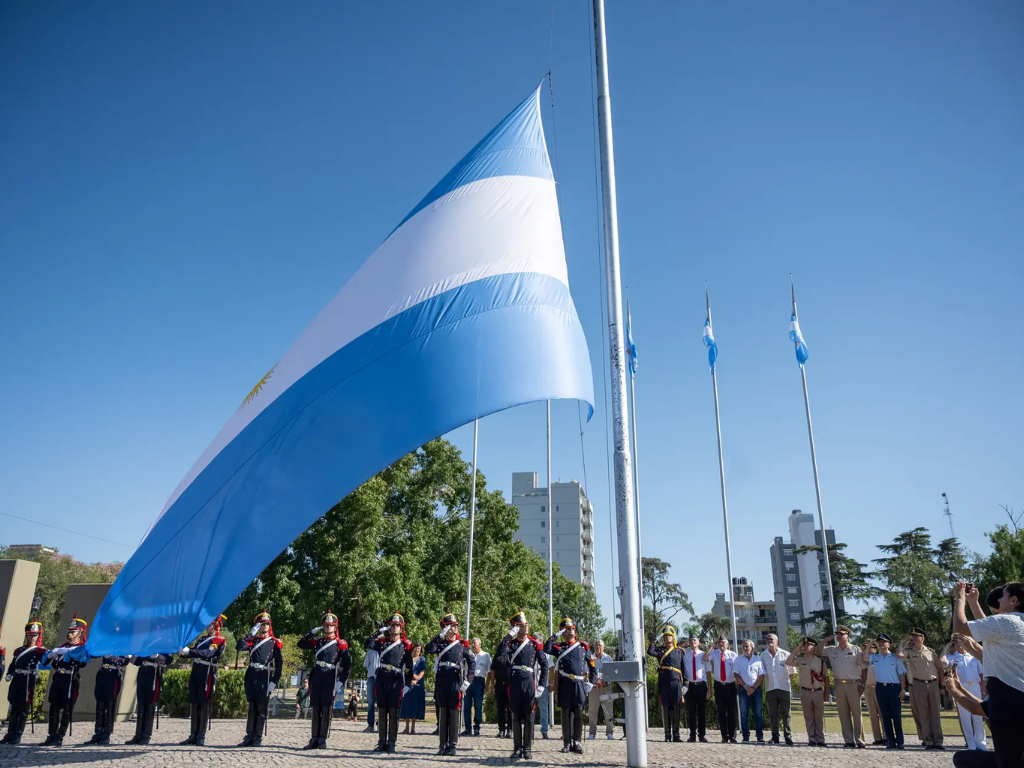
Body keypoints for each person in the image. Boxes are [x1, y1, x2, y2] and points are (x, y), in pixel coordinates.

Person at [954, 580, 1024, 768]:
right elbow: (990, 628)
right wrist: (973, 602)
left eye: (1004, 595)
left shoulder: (1007, 621)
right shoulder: (1015, 623)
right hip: (1018, 696)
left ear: (1014, 600)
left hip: (1006, 700)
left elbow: (960, 626)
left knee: (1006, 760)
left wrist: (959, 598)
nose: (1000, 599)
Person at [496, 609, 549, 760]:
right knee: (516, 715)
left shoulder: (534, 644)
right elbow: (500, 654)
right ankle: (517, 748)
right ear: (516, 627)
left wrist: (541, 684)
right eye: (522, 625)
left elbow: (544, 664)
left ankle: (527, 748)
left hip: (529, 681)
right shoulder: (511, 644)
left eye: (526, 624)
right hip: (514, 682)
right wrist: (508, 636)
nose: (526, 627)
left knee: (529, 715)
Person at [297, 609, 352, 750]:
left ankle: (322, 738)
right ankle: (314, 737)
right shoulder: (318, 641)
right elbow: (301, 643)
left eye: (330, 625)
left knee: (326, 709)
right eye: (326, 625)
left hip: (330, 677)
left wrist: (340, 681)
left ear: (335, 627)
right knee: (315, 707)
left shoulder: (340, 644)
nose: (328, 627)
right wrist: (313, 631)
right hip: (316, 677)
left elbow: (348, 665)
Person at [545, 616, 597, 755]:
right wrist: (557, 634)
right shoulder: (559, 647)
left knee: (579, 713)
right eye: (567, 629)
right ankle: (567, 742)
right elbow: (546, 647)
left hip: (579, 683)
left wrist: (591, 682)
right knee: (565, 714)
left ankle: (577, 741)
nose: (570, 631)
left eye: (572, 629)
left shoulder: (583, 646)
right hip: (565, 684)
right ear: (563, 632)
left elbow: (593, 667)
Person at [425, 612, 475, 756]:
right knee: (442, 713)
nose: (455, 628)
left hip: (455, 681)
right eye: (452, 626)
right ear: (446, 629)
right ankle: (442, 744)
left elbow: (472, 663)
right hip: (442, 681)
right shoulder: (439, 644)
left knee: (453, 713)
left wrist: (468, 681)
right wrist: (440, 635)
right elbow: (429, 649)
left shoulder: (462, 645)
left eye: (455, 626)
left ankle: (452, 744)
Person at [366, 611, 413, 754]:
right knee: (381, 711)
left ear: (401, 628)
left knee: (394, 712)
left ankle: (392, 742)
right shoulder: (382, 642)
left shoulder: (405, 646)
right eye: (392, 625)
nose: (394, 628)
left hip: (396, 679)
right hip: (382, 678)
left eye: (397, 626)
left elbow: (410, 667)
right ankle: (381, 742)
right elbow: (368, 642)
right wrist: (380, 630)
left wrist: (407, 684)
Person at [177, 614, 227, 746]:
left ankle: (201, 735)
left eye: (210, 624)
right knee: (194, 702)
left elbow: (208, 653)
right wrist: (184, 652)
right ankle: (193, 734)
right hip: (197, 671)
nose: (207, 627)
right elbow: (195, 651)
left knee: (203, 703)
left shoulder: (218, 640)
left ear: (216, 625)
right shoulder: (203, 639)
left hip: (207, 673)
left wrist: (190, 652)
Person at [236, 609, 283, 748]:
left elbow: (279, 664)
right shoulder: (253, 640)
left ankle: (257, 737)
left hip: (264, 676)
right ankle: (249, 735)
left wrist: (274, 682)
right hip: (251, 675)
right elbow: (239, 647)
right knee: (252, 708)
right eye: (261, 624)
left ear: (270, 626)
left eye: (266, 624)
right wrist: (251, 633)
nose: (264, 627)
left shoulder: (274, 643)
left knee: (261, 709)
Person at [43, 615, 89, 746]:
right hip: (59, 678)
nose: (70, 634)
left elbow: (82, 664)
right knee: (54, 707)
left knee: (67, 708)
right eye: (69, 631)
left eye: (73, 631)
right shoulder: (61, 646)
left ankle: (60, 736)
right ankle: (51, 735)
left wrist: (72, 654)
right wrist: (52, 655)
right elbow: (51, 662)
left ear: (80, 633)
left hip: (70, 679)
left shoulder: (81, 648)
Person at [895, 627, 944, 750]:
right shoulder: (910, 651)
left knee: (935, 714)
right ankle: (928, 741)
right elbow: (899, 655)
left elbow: (939, 669)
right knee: (923, 713)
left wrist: (942, 685)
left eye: (918, 636)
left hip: (933, 683)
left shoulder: (931, 652)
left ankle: (938, 741)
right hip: (918, 684)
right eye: (914, 636)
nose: (915, 638)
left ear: (923, 638)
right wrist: (902, 643)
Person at [816, 625, 865, 748]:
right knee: (843, 713)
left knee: (857, 713)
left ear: (847, 636)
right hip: (839, 684)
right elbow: (818, 651)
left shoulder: (855, 649)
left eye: (842, 634)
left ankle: (860, 740)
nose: (839, 636)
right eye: (837, 634)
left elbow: (864, 668)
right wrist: (825, 640)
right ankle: (848, 740)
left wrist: (862, 684)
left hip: (853, 683)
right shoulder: (832, 649)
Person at [2, 619, 47, 745]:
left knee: (23, 708)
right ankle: (10, 733)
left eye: (35, 635)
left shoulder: (39, 650)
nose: (32, 637)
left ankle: (18, 734)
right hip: (17, 679)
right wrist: (10, 673)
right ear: (26, 635)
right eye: (30, 634)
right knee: (14, 707)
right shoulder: (19, 650)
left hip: (28, 680)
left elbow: (45, 661)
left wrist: (47, 655)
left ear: (38, 636)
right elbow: (13, 664)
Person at [861, 634, 907, 750]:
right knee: (885, 716)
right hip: (881, 687)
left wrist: (902, 689)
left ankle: (900, 741)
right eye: (879, 642)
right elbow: (865, 658)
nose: (881, 644)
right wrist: (870, 644)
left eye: (884, 642)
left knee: (896, 716)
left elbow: (901, 674)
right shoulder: (875, 657)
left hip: (893, 687)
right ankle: (890, 741)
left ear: (889, 644)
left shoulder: (894, 658)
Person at [943, 635, 988, 752]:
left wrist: (983, 690)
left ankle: (981, 742)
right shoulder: (951, 657)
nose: (959, 644)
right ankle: (970, 743)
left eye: (961, 641)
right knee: (965, 717)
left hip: (975, 686)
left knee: (978, 716)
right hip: (961, 687)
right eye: (956, 642)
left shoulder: (974, 657)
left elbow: (981, 674)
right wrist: (946, 648)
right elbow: (943, 663)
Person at [785, 636, 826, 746]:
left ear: (814, 647)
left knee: (818, 717)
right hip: (805, 691)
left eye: (809, 645)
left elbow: (825, 676)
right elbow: (788, 662)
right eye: (805, 645)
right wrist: (796, 649)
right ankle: (812, 739)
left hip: (817, 691)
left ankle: (820, 739)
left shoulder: (820, 661)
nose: (806, 647)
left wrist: (826, 693)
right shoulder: (800, 659)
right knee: (808, 717)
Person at [127, 651, 174, 745]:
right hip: (142, 673)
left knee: (149, 705)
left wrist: (158, 656)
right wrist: (130, 657)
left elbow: (168, 660)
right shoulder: (146, 643)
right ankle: (138, 734)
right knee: (141, 705)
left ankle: (146, 735)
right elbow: (137, 661)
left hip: (153, 674)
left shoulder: (162, 645)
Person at [647, 625, 684, 742]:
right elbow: (650, 651)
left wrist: (686, 685)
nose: (667, 638)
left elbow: (684, 668)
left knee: (676, 708)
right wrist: (657, 638)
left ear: (673, 637)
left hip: (676, 682)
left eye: (669, 635)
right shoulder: (660, 650)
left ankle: (676, 735)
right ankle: (667, 735)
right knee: (666, 708)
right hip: (664, 682)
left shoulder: (679, 651)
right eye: (665, 636)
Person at [83, 653, 128, 746]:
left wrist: (116, 658)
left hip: (113, 676)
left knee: (110, 707)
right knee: (100, 706)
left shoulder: (122, 646)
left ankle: (106, 734)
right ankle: (98, 732)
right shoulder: (106, 642)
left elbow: (125, 661)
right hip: (103, 674)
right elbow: (93, 653)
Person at [760, 633, 795, 745]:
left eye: (771, 639)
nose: (769, 641)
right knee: (773, 714)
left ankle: (787, 736)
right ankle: (775, 736)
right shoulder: (763, 655)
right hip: (770, 688)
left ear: (777, 641)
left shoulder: (785, 654)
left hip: (784, 688)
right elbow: (761, 673)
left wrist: (783, 680)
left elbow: (792, 673)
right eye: (767, 639)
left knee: (786, 714)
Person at [705, 635, 738, 743]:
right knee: (721, 712)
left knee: (732, 711)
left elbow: (737, 671)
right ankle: (724, 736)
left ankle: (732, 735)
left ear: (727, 644)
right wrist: (712, 646)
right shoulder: (714, 654)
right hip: (719, 685)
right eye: (719, 643)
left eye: (723, 642)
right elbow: (705, 658)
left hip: (730, 685)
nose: (721, 645)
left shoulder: (733, 655)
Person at [733, 640, 765, 743]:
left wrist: (754, 688)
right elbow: (736, 675)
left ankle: (760, 737)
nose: (745, 648)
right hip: (743, 690)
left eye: (747, 646)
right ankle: (745, 737)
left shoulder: (758, 660)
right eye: (743, 647)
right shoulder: (738, 660)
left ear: (752, 647)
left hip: (756, 690)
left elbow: (762, 675)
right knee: (744, 714)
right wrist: (746, 687)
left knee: (758, 714)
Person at [681, 634, 708, 742]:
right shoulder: (685, 652)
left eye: (695, 640)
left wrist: (709, 689)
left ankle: (701, 735)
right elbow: (676, 649)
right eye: (691, 640)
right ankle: (692, 735)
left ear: (699, 642)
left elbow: (707, 671)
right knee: (691, 712)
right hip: (690, 685)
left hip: (701, 685)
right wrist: (684, 644)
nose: (693, 642)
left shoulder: (703, 654)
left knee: (702, 712)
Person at [463, 637, 489, 737]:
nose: (473, 645)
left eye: (474, 643)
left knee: (478, 706)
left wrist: (487, 686)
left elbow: (489, 672)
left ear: (479, 645)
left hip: (479, 681)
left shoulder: (485, 655)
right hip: (468, 680)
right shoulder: (467, 655)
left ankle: (477, 727)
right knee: (467, 705)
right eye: (472, 643)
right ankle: (467, 728)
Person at [588, 639, 615, 740]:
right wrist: (595, 681)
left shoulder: (608, 658)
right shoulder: (590, 658)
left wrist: (606, 682)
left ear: (603, 647)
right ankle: (592, 733)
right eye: (596, 645)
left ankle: (609, 732)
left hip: (606, 687)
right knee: (592, 711)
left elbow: (612, 673)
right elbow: (587, 672)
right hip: (594, 688)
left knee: (609, 710)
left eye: (600, 645)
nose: (598, 647)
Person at [490, 632, 513, 739]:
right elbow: (493, 669)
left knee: (510, 709)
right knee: (500, 708)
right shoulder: (497, 655)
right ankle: (501, 729)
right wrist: (492, 685)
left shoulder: (513, 653)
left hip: (510, 684)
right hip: (499, 684)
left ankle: (510, 729)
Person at [400, 643, 426, 734]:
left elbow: (422, 671)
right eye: (415, 648)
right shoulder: (408, 659)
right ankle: (406, 727)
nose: (417, 650)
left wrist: (416, 678)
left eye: (419, 649)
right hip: (408, 685)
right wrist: (410, 678)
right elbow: (405, 670)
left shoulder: (422, 659)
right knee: (407, 705)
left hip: (418, 686)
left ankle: (413, 727)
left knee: (415, 706)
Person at [532, 631, 553, 740]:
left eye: (536, 639)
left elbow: (551, 668)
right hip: (532, 684)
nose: (534, 641)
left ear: (541, 641)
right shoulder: (530, 651)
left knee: (543, 709)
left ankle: (544, 730)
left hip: (543, 684)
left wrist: (551, 683)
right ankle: (530, 730)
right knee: (531, 709)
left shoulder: (547, 654)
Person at [864, 656, 885, 745]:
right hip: (868, 688)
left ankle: (887, 736)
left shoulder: (879, 659)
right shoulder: (864, 661)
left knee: (883, 713)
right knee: (872, 714)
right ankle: (877, 738)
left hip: (879, 687)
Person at [362, 641, 379, 733]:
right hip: (371, 678)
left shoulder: (384, 651)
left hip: (382, 678)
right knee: (371, 703)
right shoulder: (370, 652)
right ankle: (370, 725)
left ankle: (381, 724)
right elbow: (366, 666)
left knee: (382, 704)